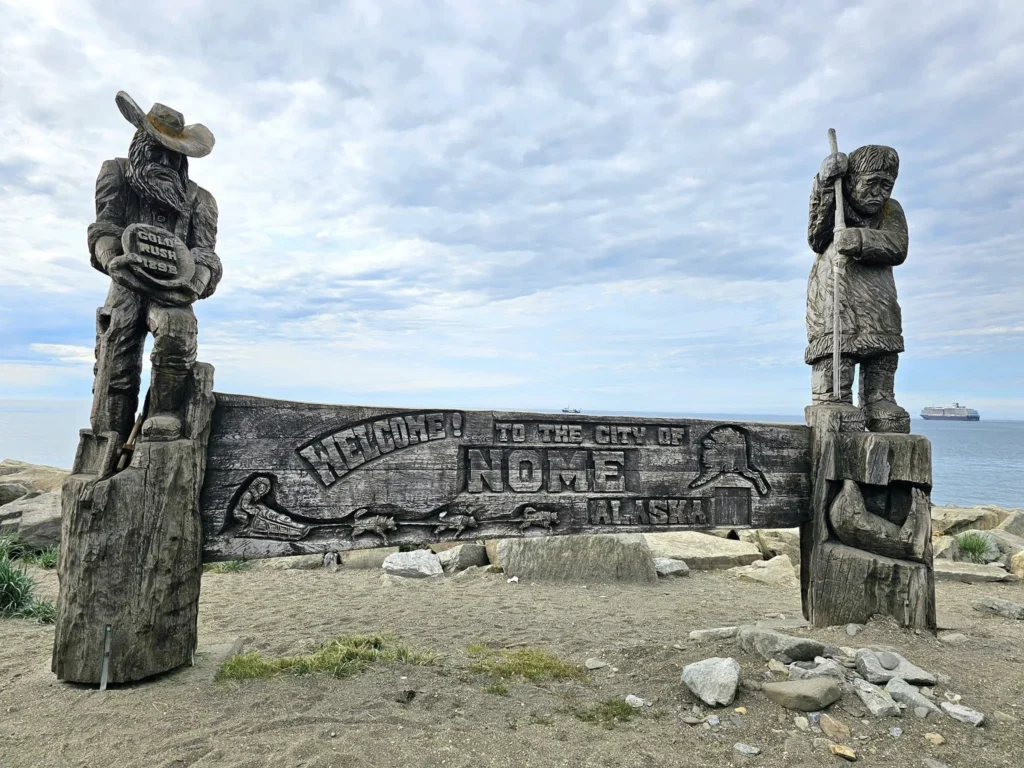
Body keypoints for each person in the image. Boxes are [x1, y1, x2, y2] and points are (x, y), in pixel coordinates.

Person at [86, 91, 222, 442]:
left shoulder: (200, 200)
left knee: (178, 330)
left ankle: (163, 415)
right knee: (118, 347)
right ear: (138, 145)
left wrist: (197, 281)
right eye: (154, 149)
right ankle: (108, 433)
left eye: (172, 154)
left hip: (173, 292)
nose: (163, 159)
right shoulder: (116, 173)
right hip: (126, 283)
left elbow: (205, 254)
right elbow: (105, 228)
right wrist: (112, 258)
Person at [805, 143, 910, 433]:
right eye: (872, 183)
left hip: (879, 298)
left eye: (886, 185)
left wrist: (860, 240)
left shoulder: (891, 210)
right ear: (852, 180)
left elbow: (897, 247)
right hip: (834, 290)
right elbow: (816, 236)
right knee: (837, 350)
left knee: (881, 352)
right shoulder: (837, 201)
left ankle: (879, 400)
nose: (879, 194)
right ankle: (832, 398)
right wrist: (825, 184)